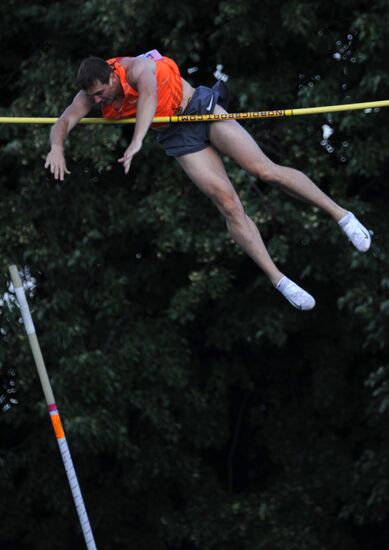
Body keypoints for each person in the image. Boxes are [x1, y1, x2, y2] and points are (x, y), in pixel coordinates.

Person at [44, 50, 371, 310]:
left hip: (199, 108)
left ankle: (341, 215)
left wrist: (137, 140)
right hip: (176, 134)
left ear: (112, 76)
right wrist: (57, 148)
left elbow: (146, 100)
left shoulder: (136, 68)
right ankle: (279, 280)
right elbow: (62, 122)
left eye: (102, 94)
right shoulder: (90, 96)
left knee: (263, 170)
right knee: (228, 203)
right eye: (94, 98)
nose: (99, 102)